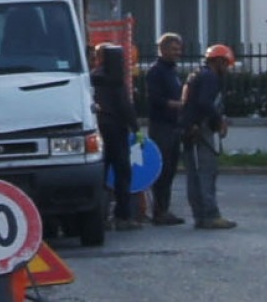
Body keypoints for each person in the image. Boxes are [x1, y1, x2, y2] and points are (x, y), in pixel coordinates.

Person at [181, 44, 237, 229]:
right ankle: (210, 215)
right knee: (206, 172)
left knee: (194, 175)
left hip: (190, 129)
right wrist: (218, 120)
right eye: (226, 64)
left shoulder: (197, 74)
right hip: (201, 130)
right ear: (219, 61)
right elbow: (205, 102)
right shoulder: (210, 77)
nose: (227, 69)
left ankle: (200, 215)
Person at [90, 43, 141, 231]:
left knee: (100, 174)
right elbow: (124, 105)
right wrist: (136, 127)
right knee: (122, 173)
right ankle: (122, 216)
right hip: (117, 129)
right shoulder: (116, 78)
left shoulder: (91, 78)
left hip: (98, 129)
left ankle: (99, 216)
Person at [144, 32, 186, 225]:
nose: (178, 52)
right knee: (162, 169)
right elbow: (155, 99)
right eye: (173, 49)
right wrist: (177, 105)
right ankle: (159, 211)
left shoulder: (172, 72)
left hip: (173, 125)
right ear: (163, 49)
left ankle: (164, 209)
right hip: (161, 125)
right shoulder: (156, 71)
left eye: (179, 49)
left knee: (170, 169)